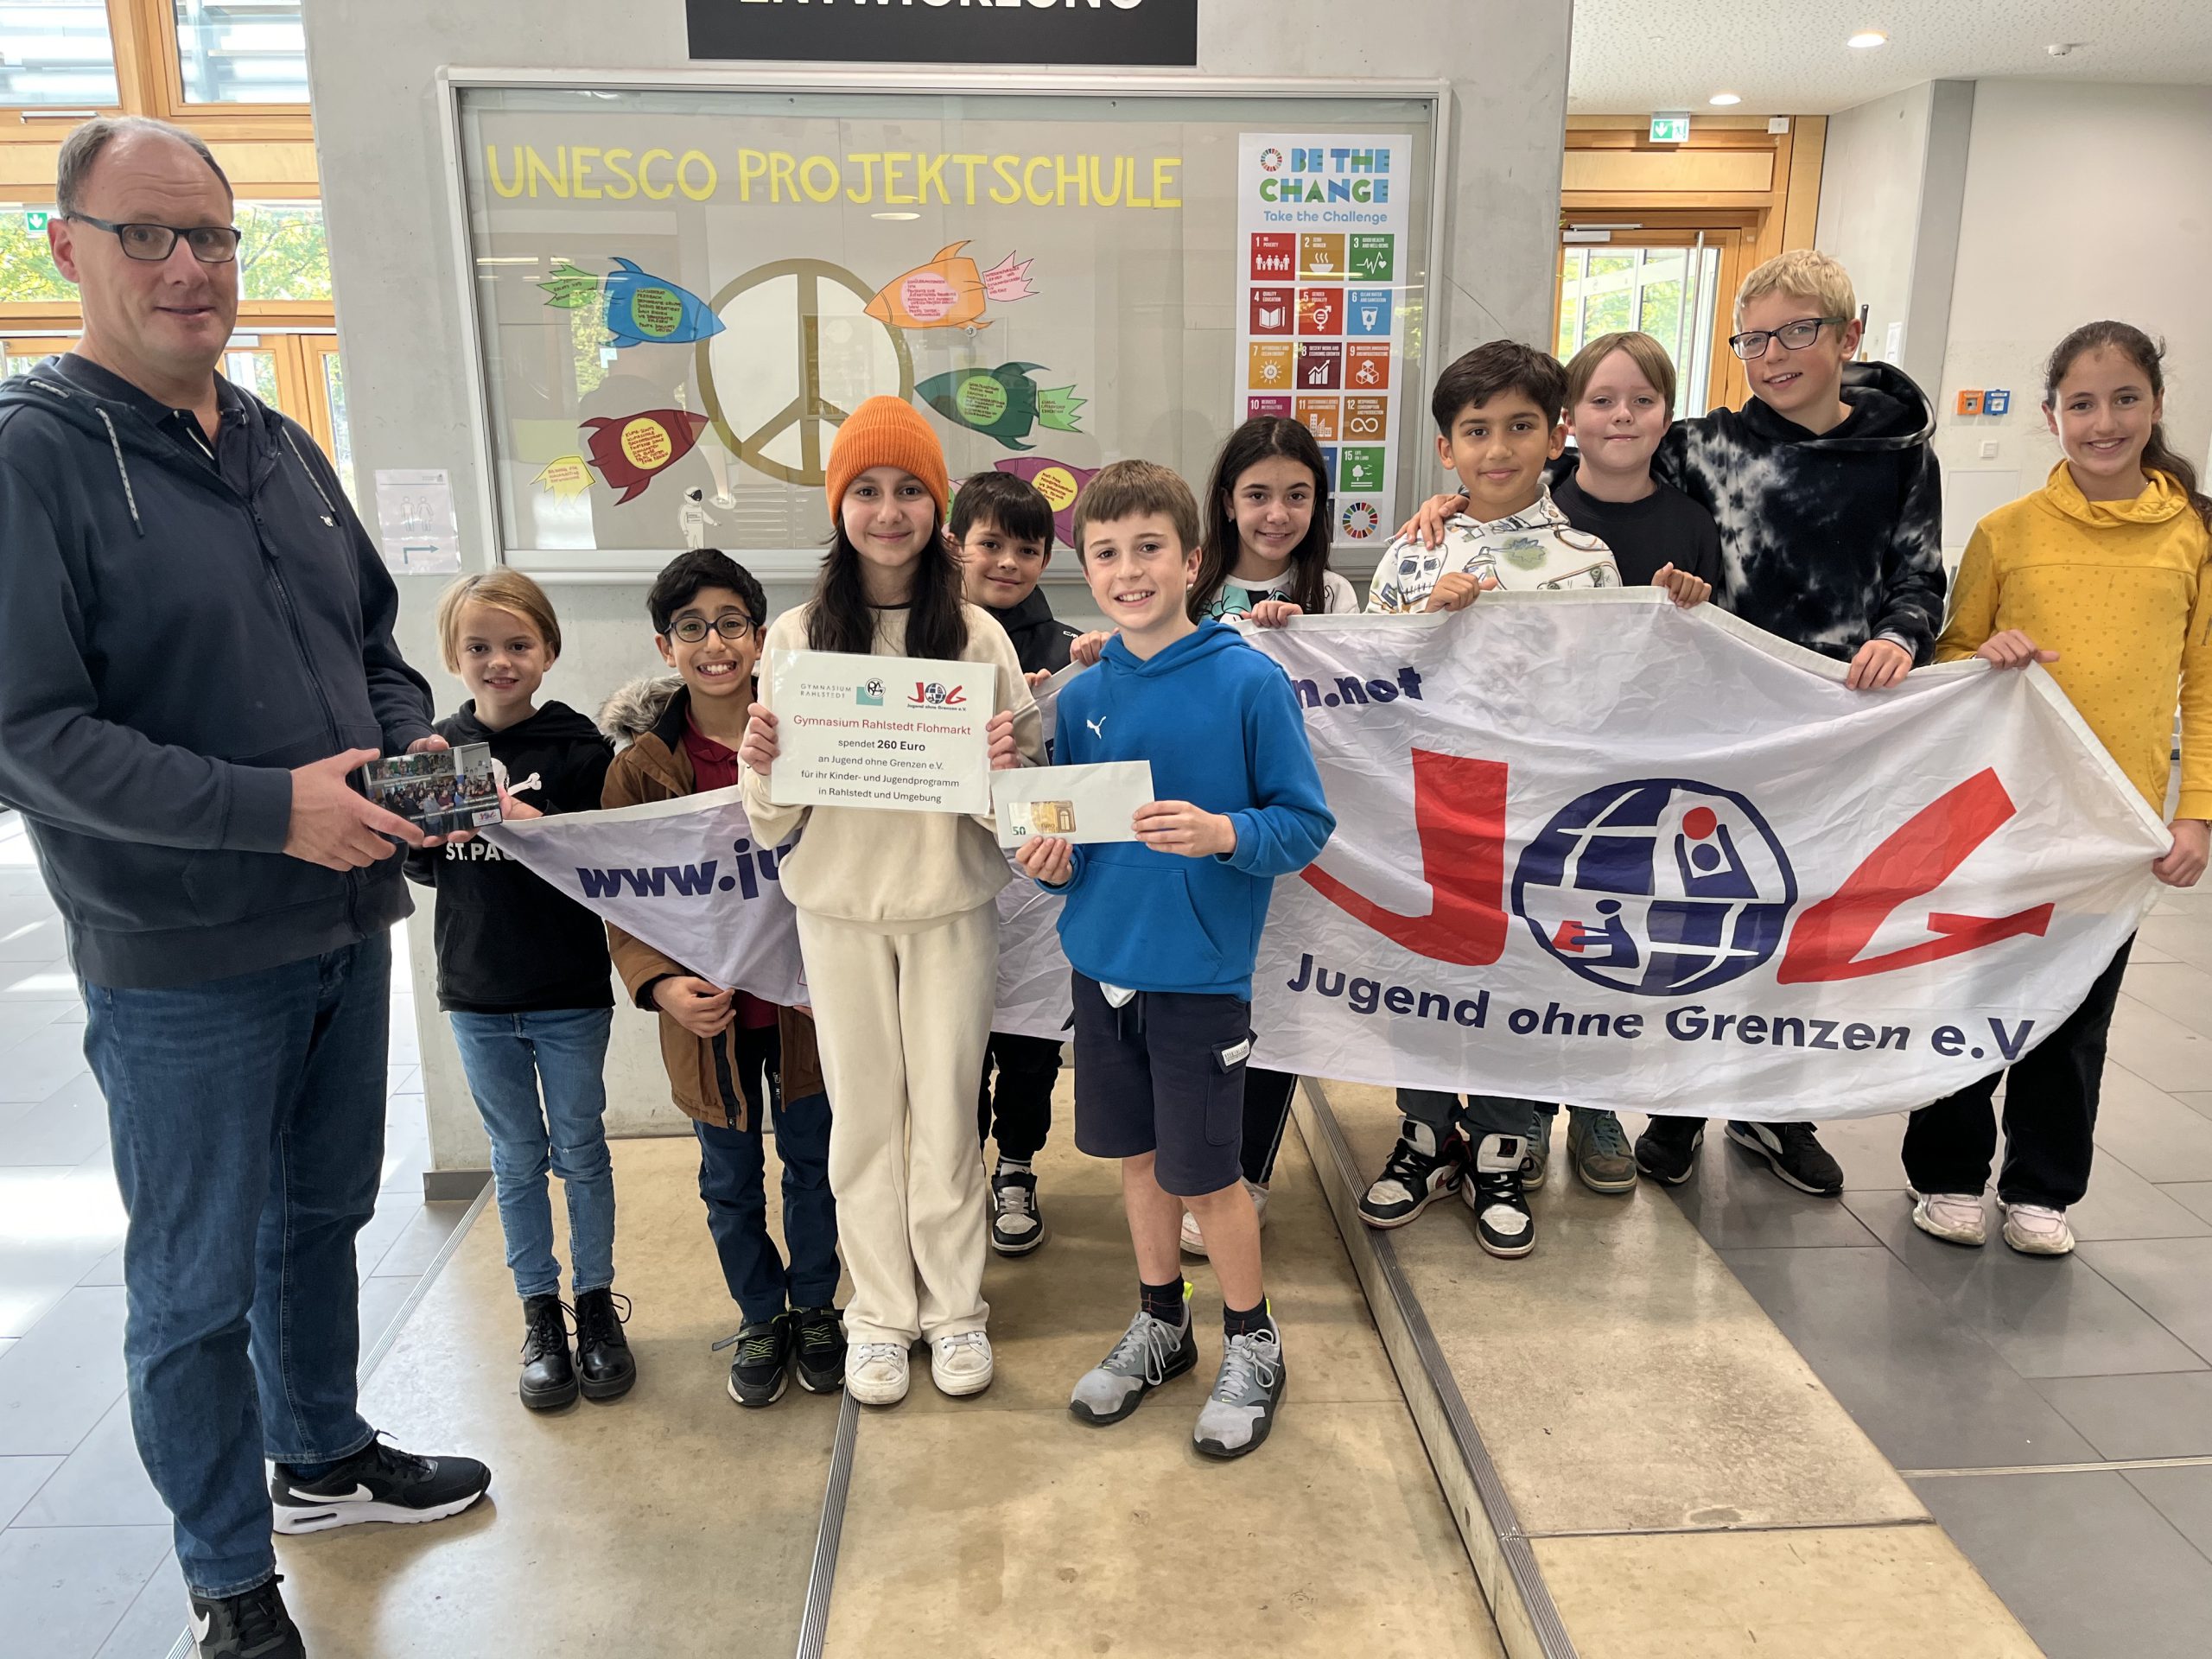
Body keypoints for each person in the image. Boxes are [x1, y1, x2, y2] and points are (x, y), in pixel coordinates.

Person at [0, 116, 487, 1659]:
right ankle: (227, 1580)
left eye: (211, 236)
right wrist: (272, 813)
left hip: (344, 922)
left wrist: (412, 764)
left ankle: (322, 1458)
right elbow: (28, 735)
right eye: (145, 234)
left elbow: (374, 648)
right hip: (183, 960)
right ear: (66, 247)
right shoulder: (31, 457)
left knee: (320, 1217)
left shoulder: (278, 444)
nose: (189, 268)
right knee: (195, 1285)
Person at [1403, 252, 1944, 1199]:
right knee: (1655, 923)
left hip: (1822, 719)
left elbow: (1919, 572)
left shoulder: (1899, 454)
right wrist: (1454, 509)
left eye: (1798, 331)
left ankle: (1773, 1110)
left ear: (1849, 336)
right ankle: (1650, 1109)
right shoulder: (1704, 445)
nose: (1775, 354)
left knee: (1792, 920)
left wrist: (1901, 636)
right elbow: (1553, 466)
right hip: (1664, 735)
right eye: (1755, 338)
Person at [1016, 459, 1334, 1459]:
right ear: (1086, 571)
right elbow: (1072, 850)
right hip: (1101, 972)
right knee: (1140, 1161)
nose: (1129, 570)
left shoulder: (1249, 682)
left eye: (1149, 548)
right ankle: (1163, 1321)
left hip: (1198, 979)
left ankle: (1252, 1338)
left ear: (1193, 561)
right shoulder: (1080, 697)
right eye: (1106, 554)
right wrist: (1051, 868)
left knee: (1208, 1176)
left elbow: (1304, 824)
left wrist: (1223, 833)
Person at [740, 398, 1042, 1406]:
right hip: (837, 912)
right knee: (864, 1122)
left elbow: (1022, 811)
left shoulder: (977, 635)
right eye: (865, 490)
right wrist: (761, 762)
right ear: (839, 506)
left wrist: (1006, 770)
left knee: (948, 1116)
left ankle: (953, 1310)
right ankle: (877, 1313)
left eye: (910, 489)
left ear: (936, 506)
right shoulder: (796, 637)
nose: (888, 510)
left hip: (949, 906)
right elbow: (772, 819)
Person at [1905, 321, 2210, 1255]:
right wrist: (1984, 654)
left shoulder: (2195, 537)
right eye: (2082, 404)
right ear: (2052, 416)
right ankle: (1948, 1172)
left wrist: (2195, 812)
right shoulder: (2007, 534)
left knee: (2076, 1012)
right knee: (1968, 992)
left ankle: (2043, 1187)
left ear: (2156, 405)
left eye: (2123, 400)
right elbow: (1950, 660)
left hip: (2111, 825)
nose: (2102, 422)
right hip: (1999, 816)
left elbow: (2204, 686)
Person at [1357, 340, 1624, 1261]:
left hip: (1539, 809)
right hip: (1430, 802)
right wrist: (1423, 621)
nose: (1497, 449)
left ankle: (1504, 1149)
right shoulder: (1412, 550)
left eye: (1519, 427)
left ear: (1555, 437)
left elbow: (1608, 693)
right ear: (1446, 447)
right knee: (1428, 969)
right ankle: (1423, 1135)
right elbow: (1365, 676)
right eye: (1475, 431)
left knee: (1520, 973)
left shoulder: (1588, 560)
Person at [600, 550, 844, 1407]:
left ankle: (816, 1306)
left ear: (761, 636)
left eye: (731, 624)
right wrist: (659, 985)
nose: (715, 644)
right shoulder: (639, 769)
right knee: (728, 1182)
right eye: (693, 628)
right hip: (706, 1021)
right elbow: (622, 898)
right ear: (665, 647)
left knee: (816, 1166)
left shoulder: (807, 740)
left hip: (808, 1007)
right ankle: (760, 1315)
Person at [404, 571, 633, 1413]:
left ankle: (596, 1304)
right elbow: (421, 863)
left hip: (569, 989)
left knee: (581, 1148)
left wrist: (542, 833)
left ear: (548, 650)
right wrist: (433, 835)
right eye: (479, 647)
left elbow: (608, 865)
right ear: (453, 656)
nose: (499, 661)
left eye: (517, 644)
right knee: (514, 1157)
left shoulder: (580, 749)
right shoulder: (434, 751)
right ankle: (539, 1315)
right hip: (475, 991)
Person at [1516, 332, 1723, 1195]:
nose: (1621, 416)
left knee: (1614, 941)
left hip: (1639, 773)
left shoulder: (1692, 525)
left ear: (1666, 416)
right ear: (1569, 418)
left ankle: (1597, 1103)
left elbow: (1713, 661)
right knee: (1535, 941)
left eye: (1641, 400)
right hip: (1541, 766)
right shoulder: (1531, 515)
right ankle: (1526, 1105)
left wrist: (1691, 611)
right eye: (1601, 400)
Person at [1172, 416, 1357, 1260]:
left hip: (1291, 838)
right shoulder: (1188, 589)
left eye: (1296, 495)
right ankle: (1193, 1163)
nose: (1276, 514)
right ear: (1225, 501)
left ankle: (1245, 1172)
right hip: (1202, 838)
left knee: (1279, 1000)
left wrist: (1306, 644)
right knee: (1200, 1004)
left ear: (1318, 504)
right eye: (1257, 495)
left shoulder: (1335, 598)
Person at [951, 468, 1077, 1255]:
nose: (1008, 563)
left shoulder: (1069, 650)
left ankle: (1018, 1168)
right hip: (949, 879)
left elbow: (1085, 770)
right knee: (953, 1043)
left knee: (1030, 1044)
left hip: (1037, 885)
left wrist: (1052, 704)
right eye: (991, 544)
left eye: (1027, 550)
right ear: (954, 547)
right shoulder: (923, 642)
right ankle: (957, 1174)